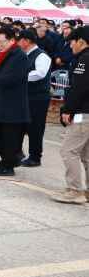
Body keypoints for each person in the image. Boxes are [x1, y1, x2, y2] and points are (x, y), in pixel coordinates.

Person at [0, 27, 29, 177]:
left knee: (9, 137)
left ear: (11, 40)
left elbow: (13, 78)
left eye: (1, 42)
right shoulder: (4, 54)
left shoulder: (19, 56)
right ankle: (12, 159)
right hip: (0, 101)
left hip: (12, 104)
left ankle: (7, 165)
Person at [58, 26, 89, 204]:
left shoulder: (84, 59)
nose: (70, 46)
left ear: (81, 41)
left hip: (82, 113)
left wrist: (68, 109)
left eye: (71, 42)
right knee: (86, 155)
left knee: (68, 150)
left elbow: (79, 88)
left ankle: (74, 190)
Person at [16, 29, 51, 168]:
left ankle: (35, 157)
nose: (18, 42)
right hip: (25, 95)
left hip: (38, 98)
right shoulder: (24, 55)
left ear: (27, 41)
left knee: (35, 127)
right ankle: (18, 152)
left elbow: (40, 73)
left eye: (20, 40)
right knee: (20, 124)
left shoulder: (42, 55)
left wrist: (21, 77)